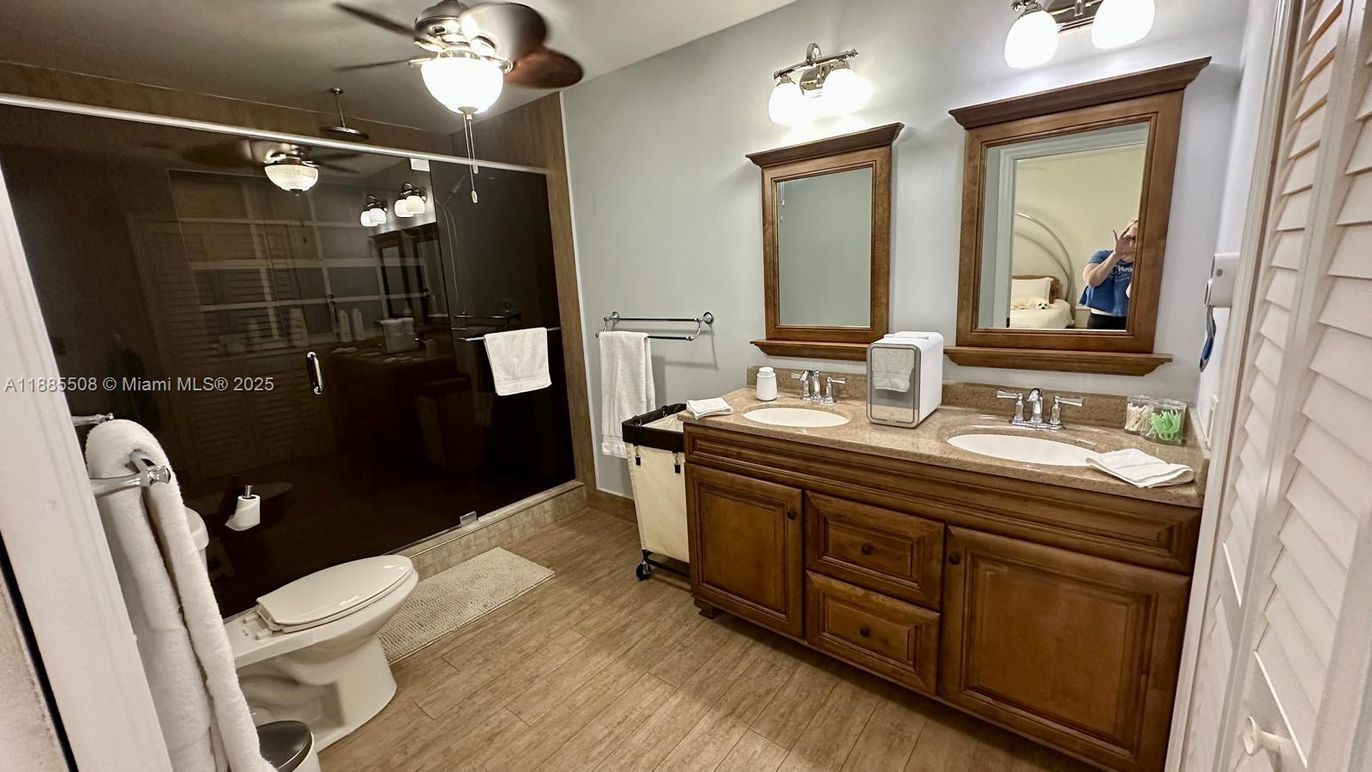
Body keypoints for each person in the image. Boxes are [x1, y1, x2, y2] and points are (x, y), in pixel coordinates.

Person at [1079, 219, 1137, 330]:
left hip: (1130, 318)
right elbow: (1092, 281)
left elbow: (1131, 293)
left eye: (1137, 239)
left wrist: (1142, 256)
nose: (1132, 242)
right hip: (1099, 317)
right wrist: (1116, 255)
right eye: (1129, 237)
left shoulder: (1145, 262)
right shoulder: (1102, 256)